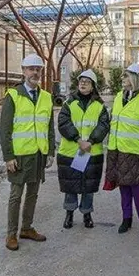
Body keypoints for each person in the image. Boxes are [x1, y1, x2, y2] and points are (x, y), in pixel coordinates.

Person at [0, 53, 55, 251]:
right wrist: (8, 157)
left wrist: (50, 152)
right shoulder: (13, 96)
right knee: (16, 196)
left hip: (38, 154)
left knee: (33, 194)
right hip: (20, 155)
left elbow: (49, 126)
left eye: (38, 69)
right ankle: (11, 234)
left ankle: (27, 228)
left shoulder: (46, 97)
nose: (35, 72)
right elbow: (5, 130)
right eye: (31, 68)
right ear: (23, 71)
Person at [104, 63, 139, 234]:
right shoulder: (119, 96)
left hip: (136, 153)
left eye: (126, 76)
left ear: (135, 78)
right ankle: (126, 219)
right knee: (123, 188)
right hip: (117, 150)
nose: (122, 79)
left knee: (137, 189)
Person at [56, 69, 110, 229]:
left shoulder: (100, 106)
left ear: (93, 86)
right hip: (72, 152)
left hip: (91, 152)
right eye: (81, 81)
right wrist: (79, 140)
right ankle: (69, 214)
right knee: (71, 185)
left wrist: (91, 141)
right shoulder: (69, 103)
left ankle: (87, 214)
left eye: (87, 81)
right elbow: (63, 123)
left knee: (88, 186)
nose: (83, 83)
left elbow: (104, 125)